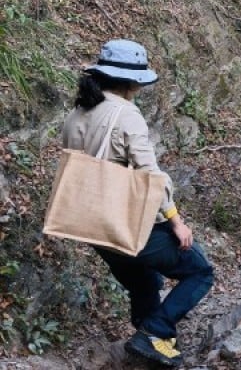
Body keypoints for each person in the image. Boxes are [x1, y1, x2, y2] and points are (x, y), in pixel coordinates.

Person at [62, 39, 214, 368]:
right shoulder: (126, 114)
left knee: (144, 280)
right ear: (131, 81)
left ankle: (149, 349)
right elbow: (150, 175)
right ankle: (153, 332)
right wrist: (175, 221)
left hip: (88, 224)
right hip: (119, 222)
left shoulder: (77, 113)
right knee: (200, 271)